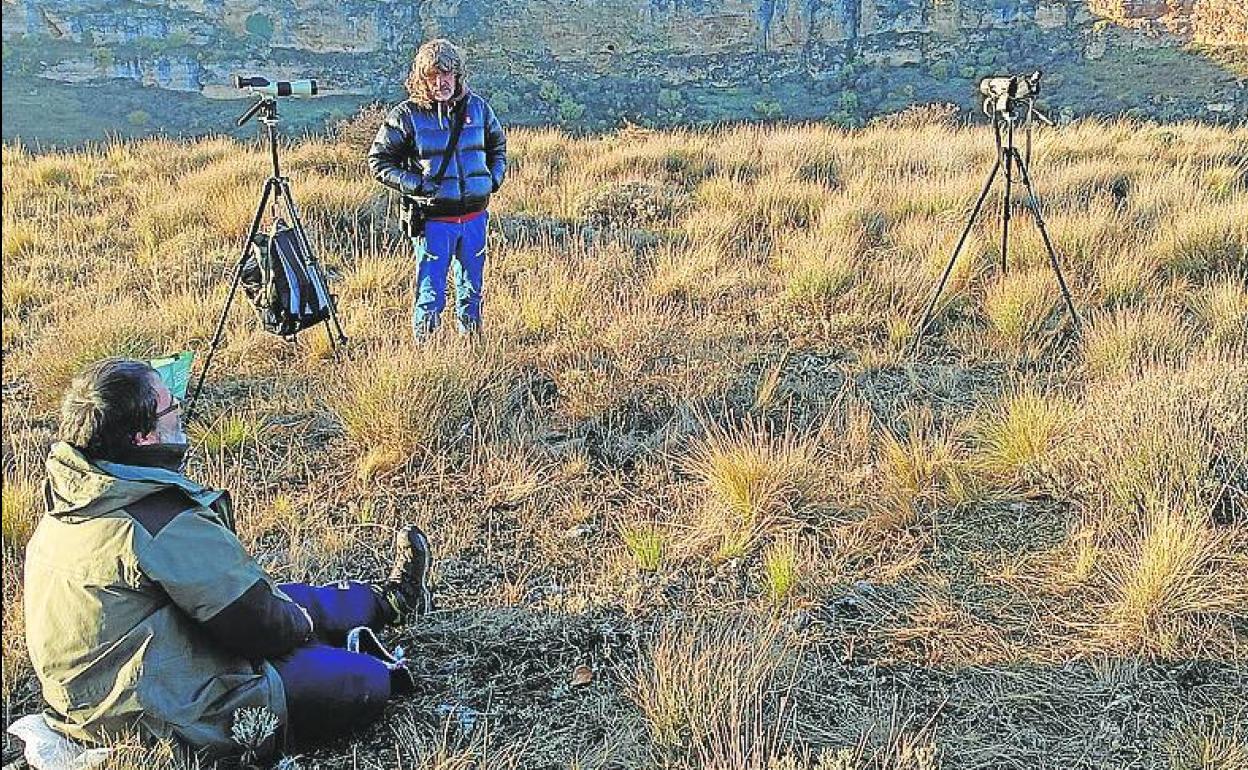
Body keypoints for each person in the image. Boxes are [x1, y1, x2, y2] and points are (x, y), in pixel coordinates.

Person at [23, 358, 435, 759]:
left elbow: (239, 604)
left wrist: (284, 612)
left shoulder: (73, 497)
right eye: (171, 405)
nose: (179, 411)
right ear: (143, 437)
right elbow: (259, 627)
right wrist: (301, 625)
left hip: (96, 701)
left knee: (284, 599)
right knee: (358, 680)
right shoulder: (155, 520)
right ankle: (363, 646)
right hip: (160, 717)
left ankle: (387, 604)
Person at [367, 38, 507, 340]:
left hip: (474, 219)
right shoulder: (406, 116)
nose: (441, 83)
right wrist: (417, 185)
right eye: (433, 76)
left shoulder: (479, 109)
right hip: (434, 223)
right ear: (422, 78)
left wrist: (492, 180)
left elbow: (498, 146)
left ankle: (473, 349)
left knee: (472, 291)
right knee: (430, 296)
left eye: (447, 75)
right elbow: (379, 162)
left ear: (458, 75)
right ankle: (426, 355)